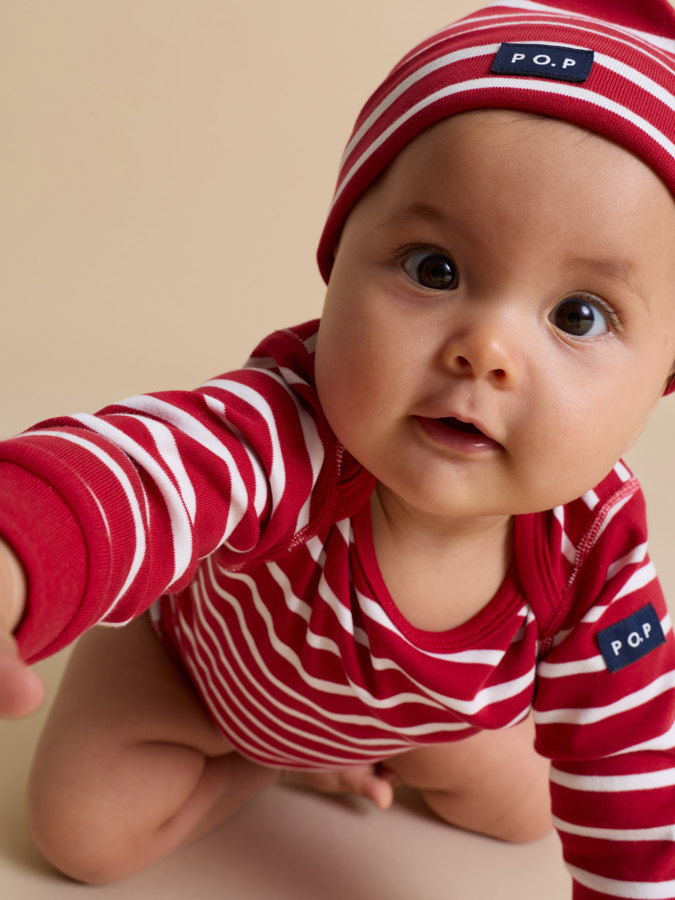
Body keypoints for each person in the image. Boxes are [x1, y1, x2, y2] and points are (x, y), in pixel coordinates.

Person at [2, 0, 675, 895]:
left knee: (523, 815)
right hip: (195, 675)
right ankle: (260, 763)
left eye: (577, 316)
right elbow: (128, 473)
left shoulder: (589, 544)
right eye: (433, 268)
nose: (487, 350)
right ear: (338, 258)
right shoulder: (282, 427)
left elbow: (632, 767)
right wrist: (11, 557)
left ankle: (366, 753)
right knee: (84, 834)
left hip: (417, 719)